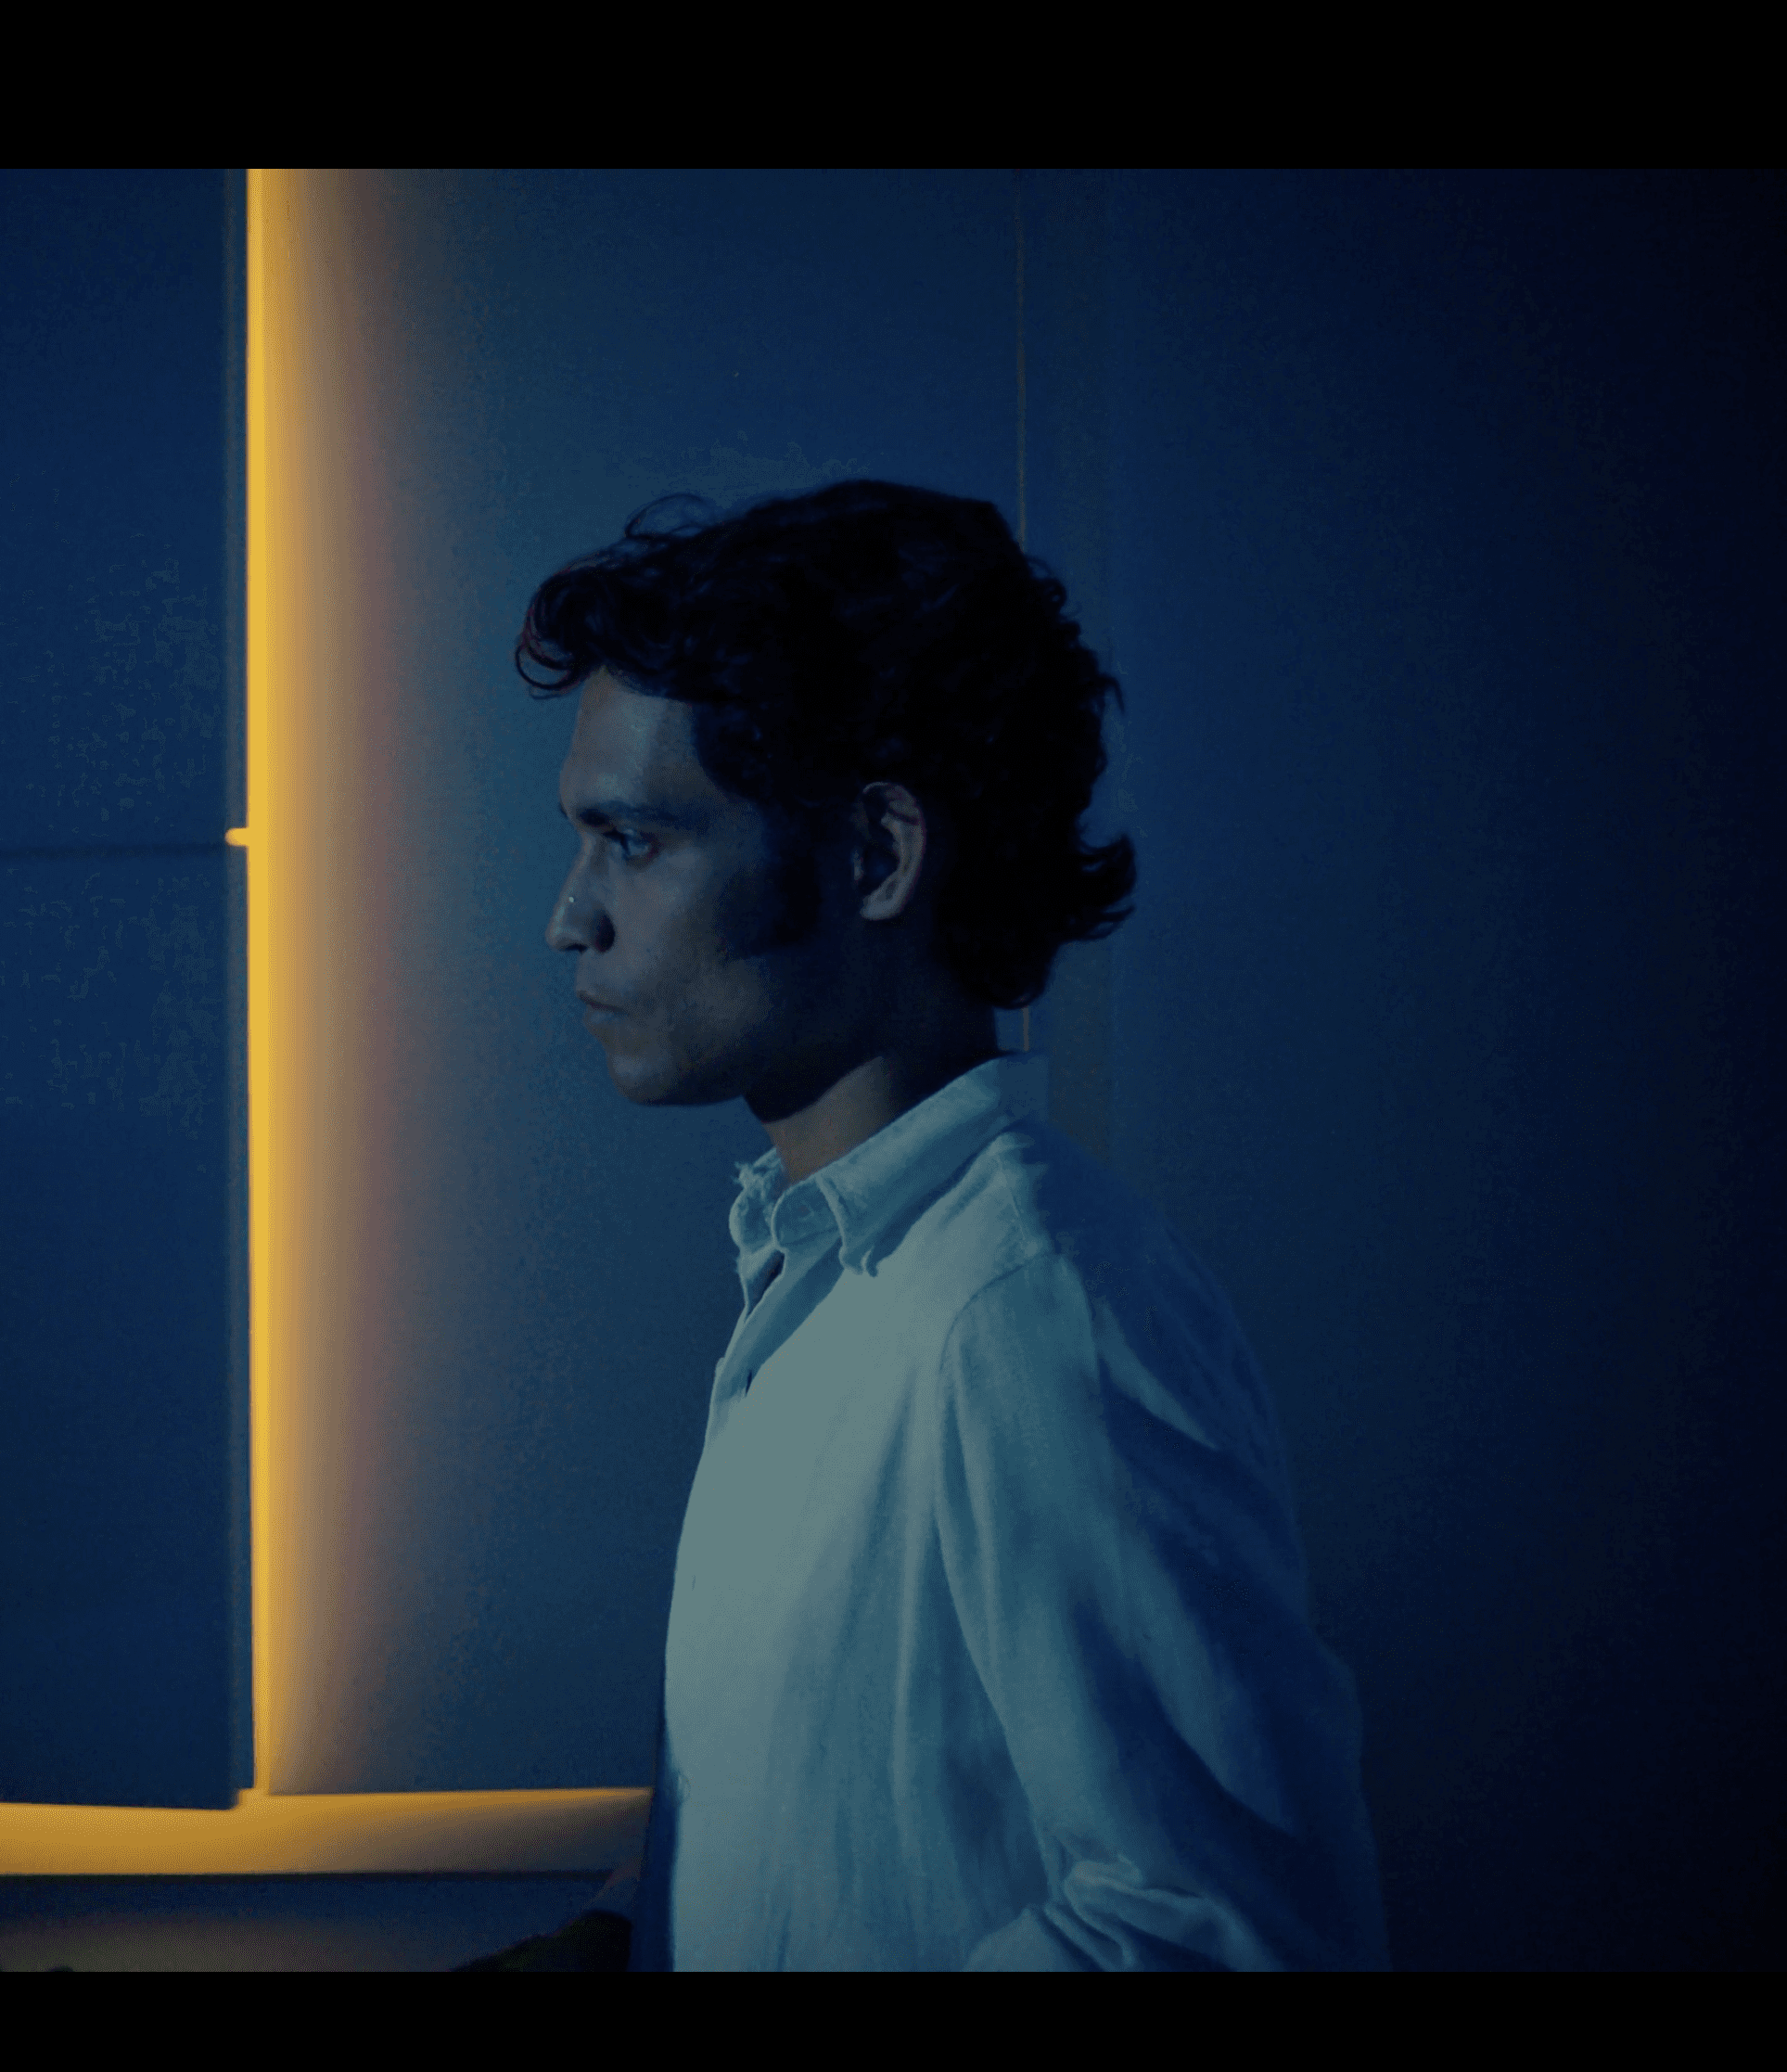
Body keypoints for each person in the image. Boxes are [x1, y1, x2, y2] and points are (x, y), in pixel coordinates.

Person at [463, 483, 1386, 1970]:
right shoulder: (825, 1283)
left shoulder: (1033, 1311)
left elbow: (1232, 1933)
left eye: (635, 840)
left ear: (879, 855)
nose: (572, 916)